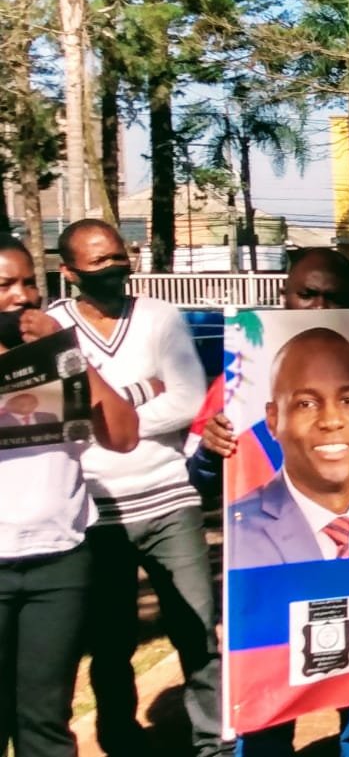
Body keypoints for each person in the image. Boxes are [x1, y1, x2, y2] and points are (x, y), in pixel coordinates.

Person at [45, 219, 224, 757]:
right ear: (69, 271)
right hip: (92, 511)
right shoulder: (49, 329)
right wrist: (141, 392)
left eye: (119, 256)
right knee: (111, 643)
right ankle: (121, 739)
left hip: (170, 500)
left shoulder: (160, 317)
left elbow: (188, 400)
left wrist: (103, 415)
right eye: (98, 262)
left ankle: (214, 743)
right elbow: (54, 418)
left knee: (198, 635)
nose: (113, 268)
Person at [226, 327, 349, 756]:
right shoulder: (246, 528)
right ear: (273, 418)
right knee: (266, 727)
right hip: (273, 676)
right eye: (306, 403)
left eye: (348, 400)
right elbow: (202, 475)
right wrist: (208, 452)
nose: (331, 420)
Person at [0, 240, 141, 757]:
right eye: (3, 286)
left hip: (59, 562)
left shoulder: (61, 354)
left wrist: (69, 352)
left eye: (27, 283)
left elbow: (123, 435)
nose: (20, 297)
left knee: (47, 719)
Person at [187, 248, 349, 497]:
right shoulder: (238, 379)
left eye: (334, 297)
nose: (320, 307)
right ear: (285, 297)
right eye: (307, 295)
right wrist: (209, 452)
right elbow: (198, 483)